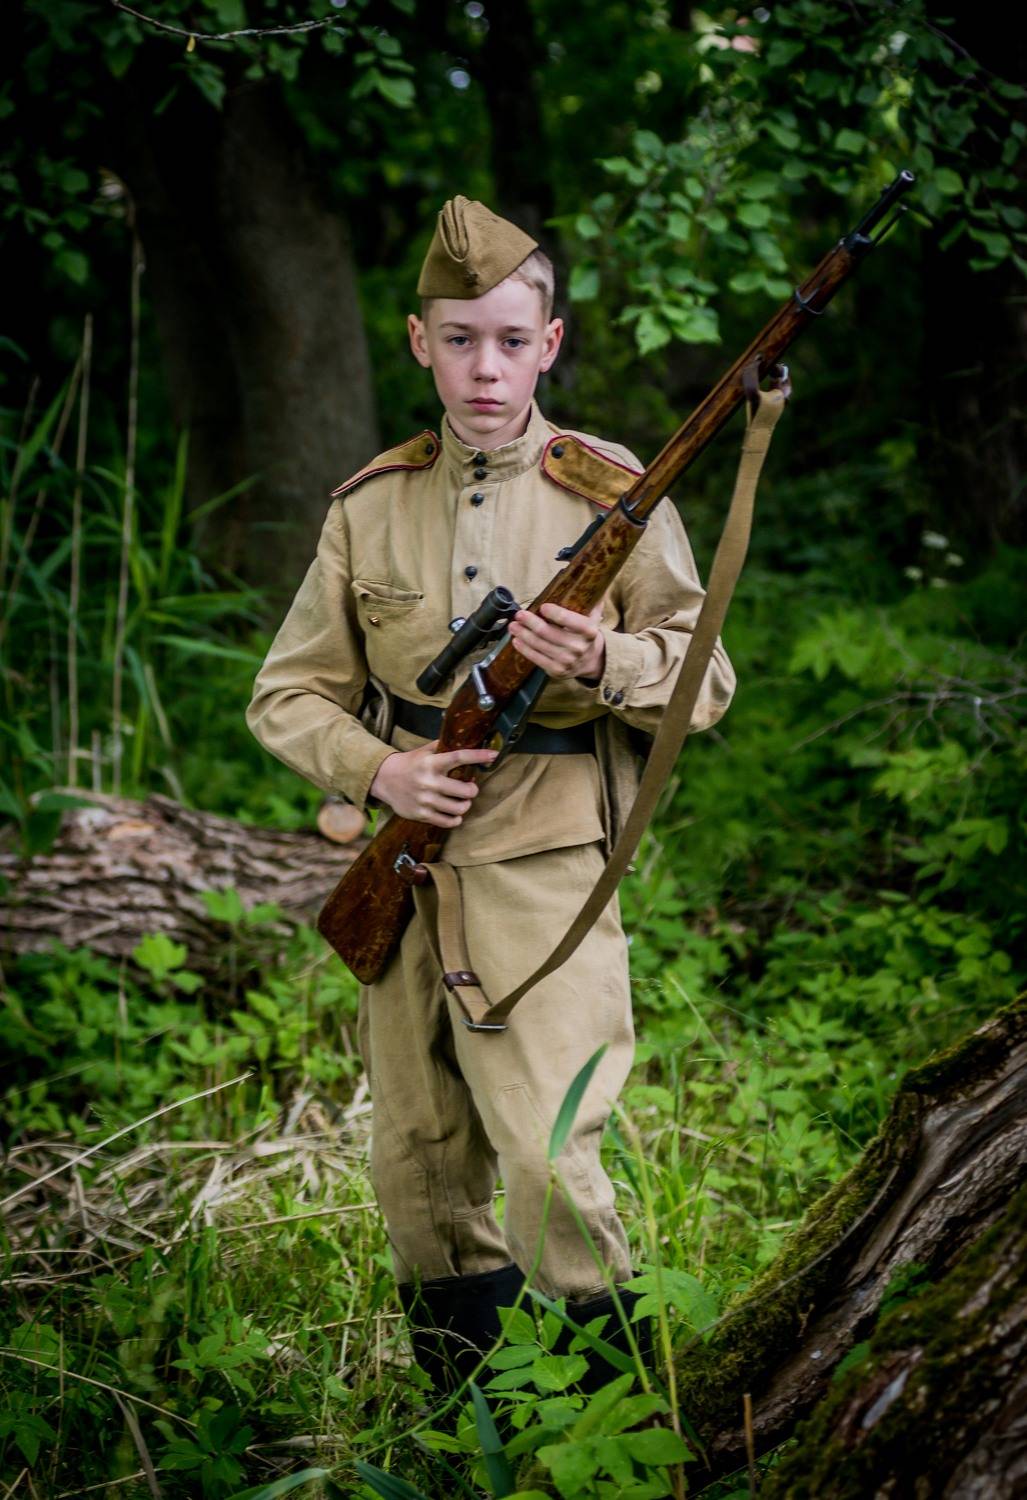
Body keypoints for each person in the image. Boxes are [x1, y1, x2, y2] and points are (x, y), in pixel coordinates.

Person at [246, 195, 735, 1394]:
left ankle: (616, 1436)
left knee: (550, 1159)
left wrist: (605, 661)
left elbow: (705, 681)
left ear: (549, 344)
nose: (485, 368)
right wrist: (381, 771)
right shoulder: (371, 505)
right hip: (408, 855)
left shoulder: (612, 496)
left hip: (545, 865)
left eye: (512, 341)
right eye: (460, 339)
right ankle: (470, 1429)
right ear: (420, 342)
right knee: (418, 1166)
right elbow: (287, 694)